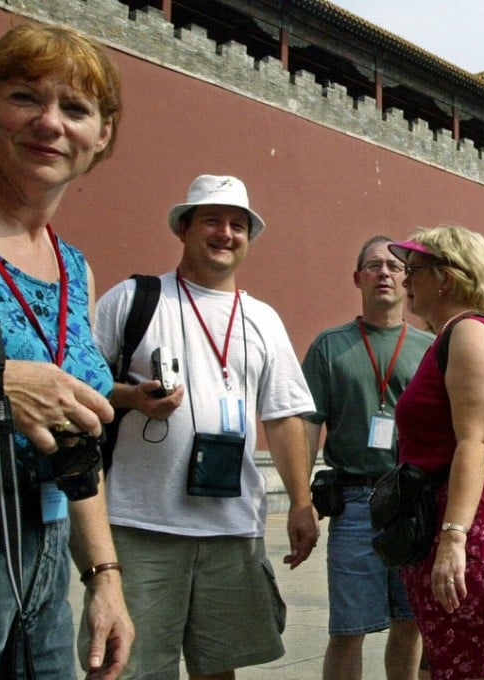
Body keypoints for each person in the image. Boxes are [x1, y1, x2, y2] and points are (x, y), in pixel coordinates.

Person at [89, 174, 318, 679]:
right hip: (141, 524)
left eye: (238, 225)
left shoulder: (263, 320)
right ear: (184, 228)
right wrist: (131, 398)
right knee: (130, 667)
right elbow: (80, 386)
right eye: (212, 220)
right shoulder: (133, 300)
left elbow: (283, 418)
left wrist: (301, 502)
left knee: (220, 669)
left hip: (231, 528)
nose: (225, 233)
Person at [0, 22, 134, 680]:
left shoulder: (73, 268)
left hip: (47, 554)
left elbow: (77, 436)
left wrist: (104, 578)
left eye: (76, 108)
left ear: (101, 135)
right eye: (25, 97)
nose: (50, 123)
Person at [387, 225, 484, 680]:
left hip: (477, 529)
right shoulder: (451, 336)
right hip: (457, 520)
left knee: (477, 669)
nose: (404, 281)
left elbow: (474, 441)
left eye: (413, 270)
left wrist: (454, 538)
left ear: (446, 278)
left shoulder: (470, 333)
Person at [302, 236, 431, 680]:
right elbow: (307, 424)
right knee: (348, 629)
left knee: (411, 624)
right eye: (373, 266)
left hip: (414, 501)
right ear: (357, 278)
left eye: (395, 267)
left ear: (407, 279)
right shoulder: (329, 347)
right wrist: (301, 501)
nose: (384, 273)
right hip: (356, 501)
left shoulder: (431, 347)